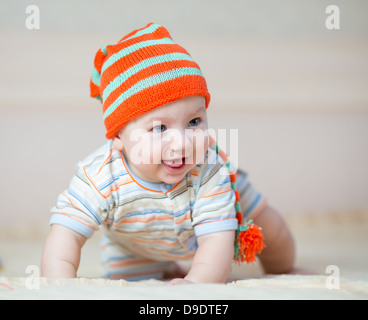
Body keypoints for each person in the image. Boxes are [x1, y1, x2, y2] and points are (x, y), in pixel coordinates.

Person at [41, 23, 296, 284]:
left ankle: (286, 268)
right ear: (118, 136)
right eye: (159, 127)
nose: (182, 142)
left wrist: (195, 284)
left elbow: (215, 239)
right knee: (132, 287)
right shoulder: (98, 176)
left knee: (272, 230)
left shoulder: (208, 169)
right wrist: (60, 283)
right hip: (135, 244)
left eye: (194, 122)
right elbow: (66, 233)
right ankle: (163, 267)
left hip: (221, 207)